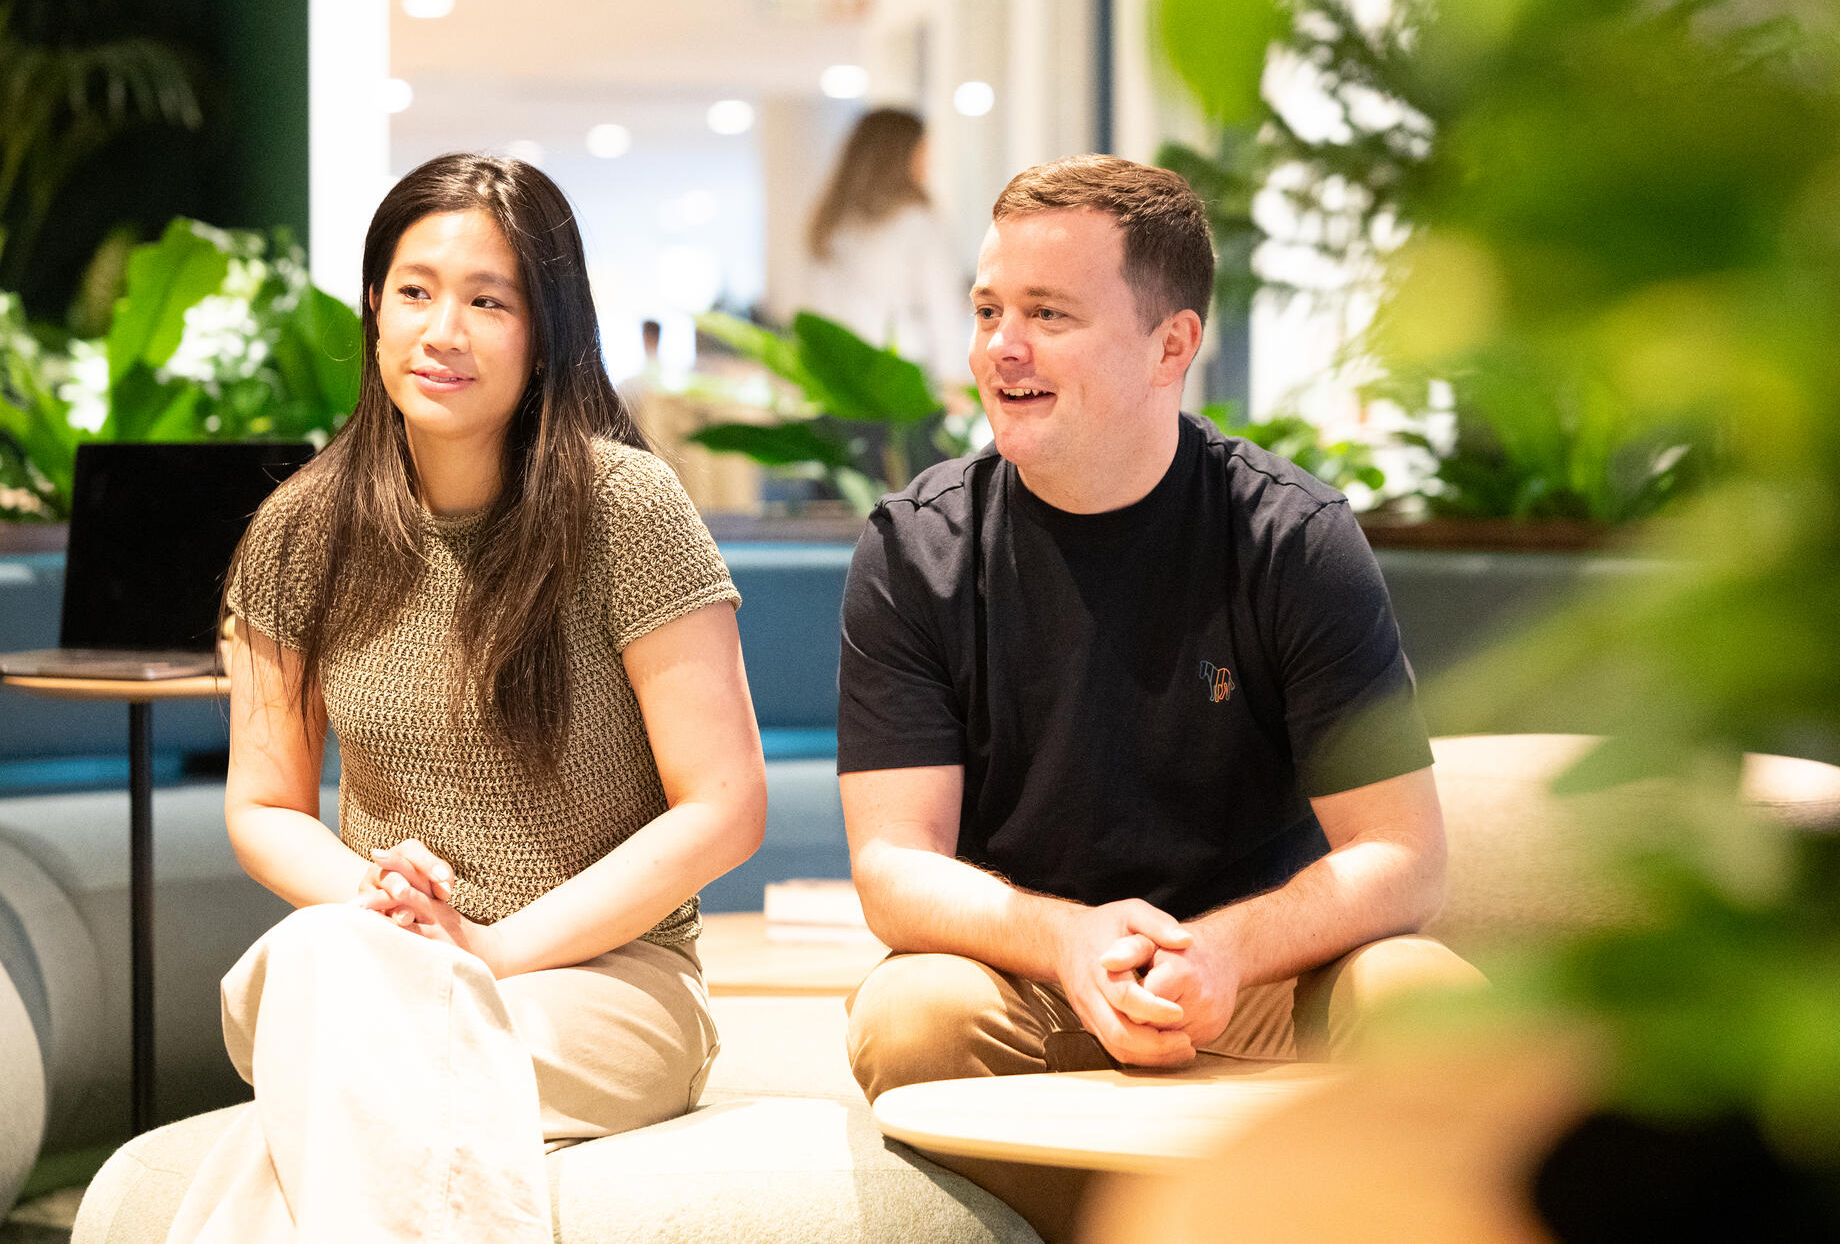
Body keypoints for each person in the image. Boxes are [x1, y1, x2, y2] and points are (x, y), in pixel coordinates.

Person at [837, 155, 1481, 1242]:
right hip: (1030, 978)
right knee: (912, 1012)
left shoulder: (1290, 537)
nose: (1001, 347)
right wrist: (1067, 941)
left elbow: (1401, 851)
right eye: (988, 308)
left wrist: (1225, 950)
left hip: (1263, 976)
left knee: (1427, 997)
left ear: (1170, 344)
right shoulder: (917, 548)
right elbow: (893, 864)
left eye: (1047, 312)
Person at [166, 153, 767, 1243]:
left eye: (487, 300)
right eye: (415, 290)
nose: (444, 329)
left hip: (607, 985)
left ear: (546, 332)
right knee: (317, 964)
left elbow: (724, 804)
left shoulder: (627, 509)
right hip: (376, 963)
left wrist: (487, 949)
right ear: (372, 309)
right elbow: (262, 806)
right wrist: (379, 896)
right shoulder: (300, 530)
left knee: (324, 1044)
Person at [803, 107, 970, 385]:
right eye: (923, 151)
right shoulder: (920, 224)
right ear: (900, 155)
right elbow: (944, 311)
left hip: (842, 379)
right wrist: (954, 383)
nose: (930, 162)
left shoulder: (832, 225)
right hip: (904, 378)